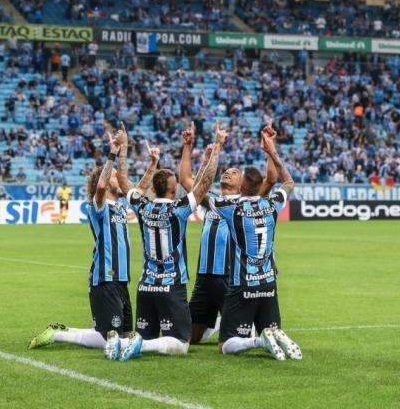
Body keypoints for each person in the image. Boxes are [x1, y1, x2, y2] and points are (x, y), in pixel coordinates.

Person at [29, 129, 157, 357]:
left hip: (121, 278)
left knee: (124, 336)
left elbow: (140, 189)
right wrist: (111, 155)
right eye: (116, 178)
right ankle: (59, 334)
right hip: (104, 278)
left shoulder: (120, 206)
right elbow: (99, 188)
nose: (121, 181)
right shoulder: (97, 207)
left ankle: (61, 332)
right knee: (110, 337)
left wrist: (153, 164)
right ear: (108, 182)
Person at [109, 122, 227, 362]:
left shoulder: (142, 206)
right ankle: (138, 344)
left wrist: (123, 148)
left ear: (154, 187)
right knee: (181, 344)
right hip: (171, 286)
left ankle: (123, 340)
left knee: (151, 335)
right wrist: (217, 148)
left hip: (146, 287)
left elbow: (122, 180)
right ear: (174, 190)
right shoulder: (179, 209)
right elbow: (204, 184)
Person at [178, 123, 278, 345]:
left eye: (235, 172)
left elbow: (270, 180)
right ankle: (215, 324)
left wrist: (271, 149)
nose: (228, 172)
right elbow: (185, 180)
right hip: (204, 277)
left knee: (238, 337)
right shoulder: (212, 200)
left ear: (243, 183)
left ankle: (241, 326)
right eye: (227, 171)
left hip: (230, 277)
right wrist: (187, 147)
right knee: (190, 338)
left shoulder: (247, 203)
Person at [211, 126, 302, 360]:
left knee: (224, 344)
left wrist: (216, 148)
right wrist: (272, 152)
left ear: (241, 188)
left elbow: (199, 192)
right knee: (271, 327)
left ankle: (258, 340)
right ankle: (275, 336)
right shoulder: (272, 204)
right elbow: (289, 182)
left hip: (243, 284)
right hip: (269, 282)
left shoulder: (231, 208)